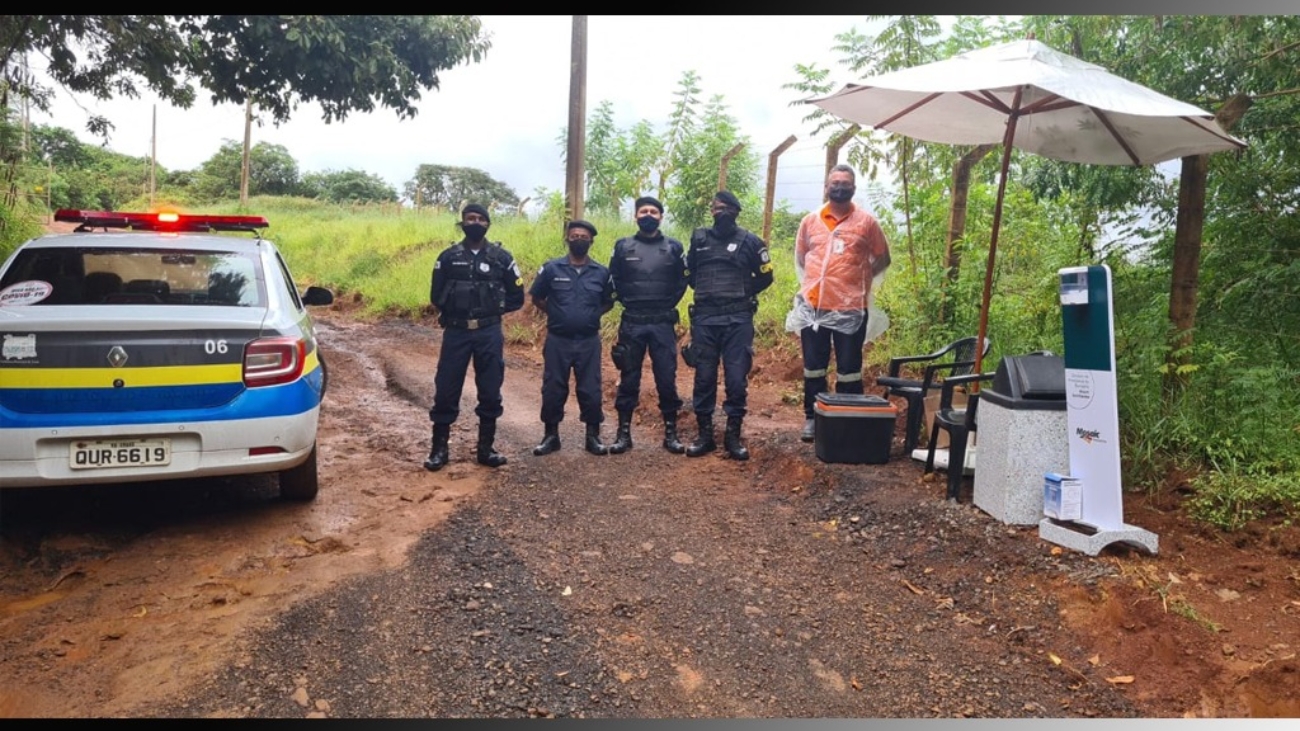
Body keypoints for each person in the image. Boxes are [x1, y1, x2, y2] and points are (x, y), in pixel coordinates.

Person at [787, 164, 892, 443]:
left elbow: (883, 258)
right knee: (814, 366)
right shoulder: (810, 222)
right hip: (814, 308)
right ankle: (813, 417)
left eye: (845, 183)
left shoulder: (867, 223)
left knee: (849, 368)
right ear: (826, 187)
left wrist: (860, 281)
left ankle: (848, 418)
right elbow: (801, 258)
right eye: (835, 183)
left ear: (853, 189)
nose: (840, 187)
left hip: (851, 308)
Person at [423, 203, 526, 471]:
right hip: (456, 332)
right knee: (446, 388)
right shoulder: (448, 257)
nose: (476, 222)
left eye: (481, 219)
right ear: (462, 222)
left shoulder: (502, 258)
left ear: (488, 224)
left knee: (490, 388)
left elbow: (517, 295)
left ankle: (485, 449)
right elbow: (436, 295)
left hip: (488, 332)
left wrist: (494, 311)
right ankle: (439, 450)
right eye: (471, 218)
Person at [682, 190, 774, 461]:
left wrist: (744, 292)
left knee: (736, 379)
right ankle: (705, 436)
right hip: (705, 319)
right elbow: (691, 273)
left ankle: (733, 436)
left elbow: (766, 277)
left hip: (738, 320)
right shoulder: (699, 239)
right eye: (715, 208)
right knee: (704, 378)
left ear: (736, 211)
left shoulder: (751, 241)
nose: (719, 212)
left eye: (725, 208)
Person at [606, 196, 690, 455]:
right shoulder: (623, 246)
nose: (649, 215)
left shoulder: (674, 247)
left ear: (661, 217)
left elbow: (681, 282)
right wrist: (629, 302)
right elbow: (614, 279)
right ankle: (623, 434)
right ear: (635, 216)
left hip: (662, 323)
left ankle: (671, 434)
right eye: (644, 211)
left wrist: (665, 304)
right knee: (629, 377)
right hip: (632, 322)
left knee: (666, 378)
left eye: (654, 211)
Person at [528, 220, 615, 457]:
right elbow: (537, 297)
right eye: (574, 235)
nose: (579, 239)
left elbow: (608, 301)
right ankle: (551, 436)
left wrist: (591, 315)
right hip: (558, 339)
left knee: (591, 389)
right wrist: (557, 314)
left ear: (591, 241)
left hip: (588, 341)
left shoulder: (601, 272)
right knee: (553, 387)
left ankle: (592, 436)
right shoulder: (551, 268)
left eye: (584, 236)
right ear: (567, 239)